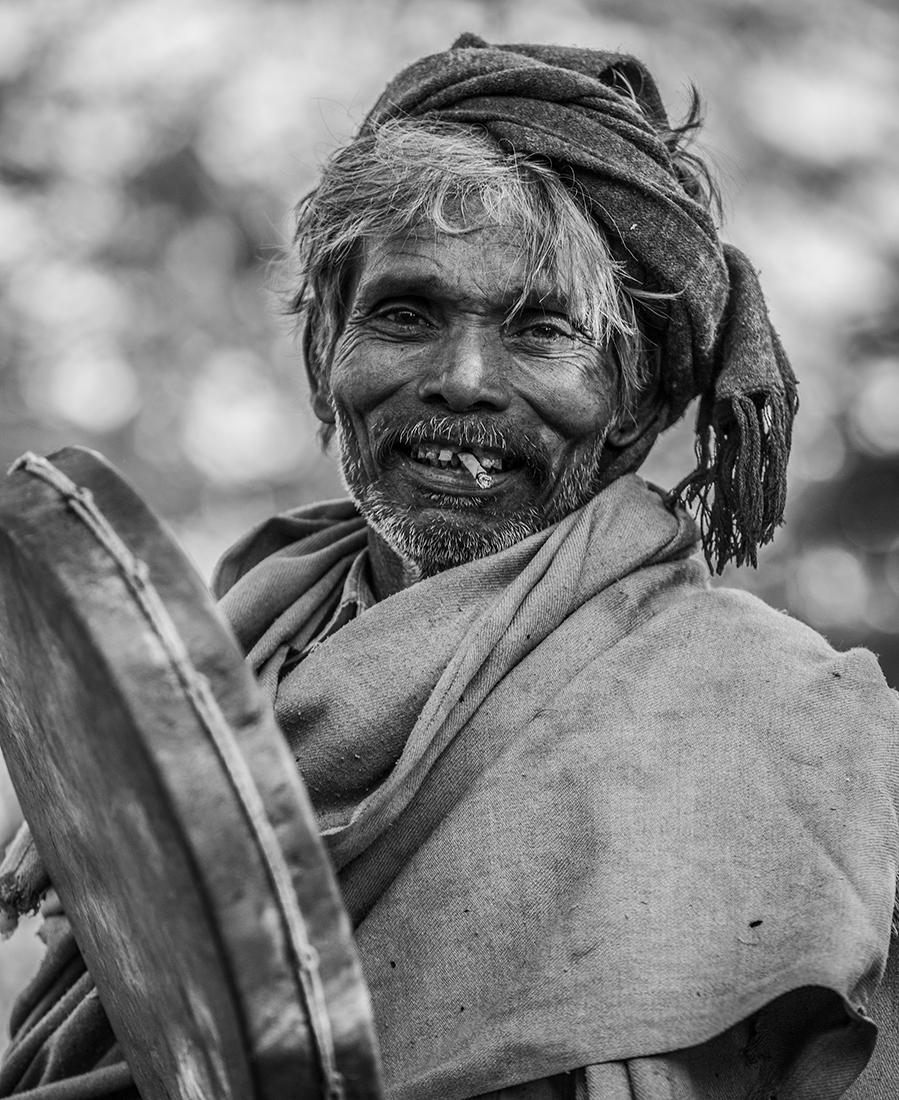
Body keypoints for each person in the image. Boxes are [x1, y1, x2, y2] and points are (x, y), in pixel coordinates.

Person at [2, 32, 899, 1100]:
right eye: (405, 314)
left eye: (543, 330)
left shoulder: (789, 721)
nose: (463, 377)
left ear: (633, 406)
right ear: (324, 357)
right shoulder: (211, 667)